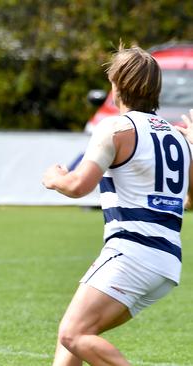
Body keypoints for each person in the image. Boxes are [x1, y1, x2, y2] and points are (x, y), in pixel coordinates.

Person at [42, 45, 193, 365]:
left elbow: (78, 186)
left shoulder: (115, 127)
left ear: (117, 85)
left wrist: (54, 178)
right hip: (166, 261)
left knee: (73, 333)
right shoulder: (179, 137)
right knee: (72, 336)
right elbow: (189, 201)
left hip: (133, 252)